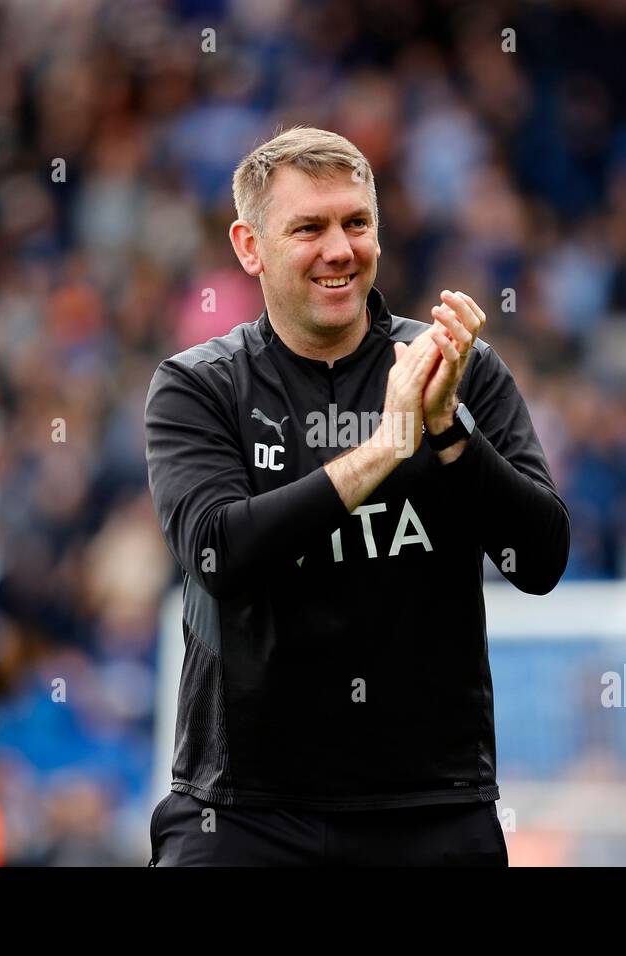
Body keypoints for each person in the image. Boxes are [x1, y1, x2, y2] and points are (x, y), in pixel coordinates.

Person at [144, 126, 570, 865]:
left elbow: (540, 560)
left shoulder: (457, 372)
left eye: (356, 223)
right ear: (250, 247)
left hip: (432, 811)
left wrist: (449, 435)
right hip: (244, 815)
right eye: (308, 227)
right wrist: (383, 450)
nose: (339, 249)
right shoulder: (198, 386)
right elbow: (219, 552)